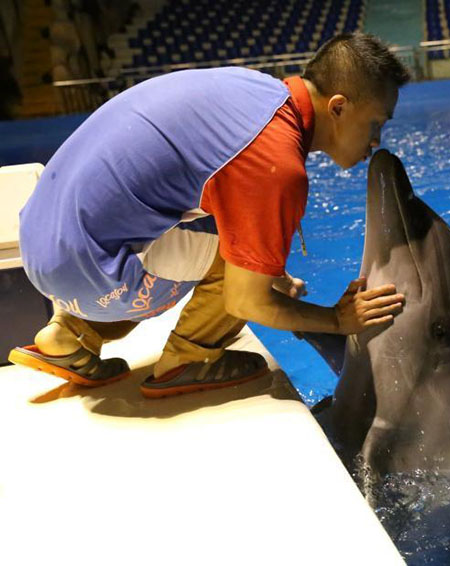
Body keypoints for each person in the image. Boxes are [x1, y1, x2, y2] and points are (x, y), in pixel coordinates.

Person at [9, 33, 410, 398]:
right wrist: (337, 321)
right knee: (244, 265)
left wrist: (270, 273)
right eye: (375, 123)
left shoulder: (255, 92)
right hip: (93, 272)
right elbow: (244, 302)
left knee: (247, 243)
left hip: (43, 252)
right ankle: (187, 361)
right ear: (338, 107)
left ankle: (70, 334)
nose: (377, 141)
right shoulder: (276, 163)